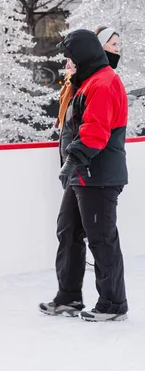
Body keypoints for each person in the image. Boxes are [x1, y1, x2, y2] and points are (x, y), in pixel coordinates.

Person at [39, 29, 129, 322]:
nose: (67, 66)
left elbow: (95, 131)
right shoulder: (86, 83)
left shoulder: (103, 83)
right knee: (68, 232)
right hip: (82, 174)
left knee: (101, 239)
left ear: (83, 57)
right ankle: (69, 297)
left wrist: (71, 162)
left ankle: (113, 303)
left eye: (70, 59)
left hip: (98, 175)